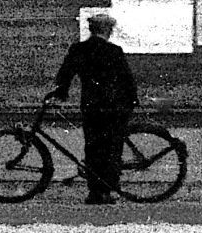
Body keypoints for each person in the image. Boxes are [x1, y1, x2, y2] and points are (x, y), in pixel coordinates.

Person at [48, 13, 139, 204]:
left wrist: (61, 93)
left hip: (91, 105)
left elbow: (65, 74)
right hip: (114, 106)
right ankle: (108, 190)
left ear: (91, 29)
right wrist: (132, 101)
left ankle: (95, 192)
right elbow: (127, 80)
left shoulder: (79, 49)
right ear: (107, 30)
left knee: (93, 147)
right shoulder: (114, 51)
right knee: (112, 148)